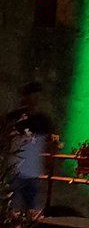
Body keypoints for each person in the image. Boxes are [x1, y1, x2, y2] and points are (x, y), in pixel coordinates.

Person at [4, 82, 53, 213]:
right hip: (18, 170)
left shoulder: (41, 120)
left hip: (30, 171)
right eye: (33, 96)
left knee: (29, 209)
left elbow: (47, 143)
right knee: (14, 208)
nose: (36, 100)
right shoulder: (16, 117)